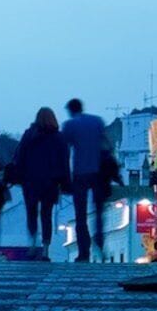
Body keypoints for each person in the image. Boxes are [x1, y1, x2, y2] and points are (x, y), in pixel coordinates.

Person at [58, 98, 114, 259]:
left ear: (70, 110)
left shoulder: (69, 125)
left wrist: (64, 177)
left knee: (80, 215)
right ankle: (100, 244)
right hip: (98, 172)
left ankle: (84, 252)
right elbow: (108, 145)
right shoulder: (97, 121)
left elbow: (65, 150)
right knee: (99, 211)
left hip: (80, 173)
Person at [11, 107, 65, 246]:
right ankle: (46, 247)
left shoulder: (29, 135)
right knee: (47, 215)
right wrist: (63, 181)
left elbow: (19, 156)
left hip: (30, 181)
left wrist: (17, 175)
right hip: (50, 182)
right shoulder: (58, 137)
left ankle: (33, 243)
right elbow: (63, 160)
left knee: (31, 213)